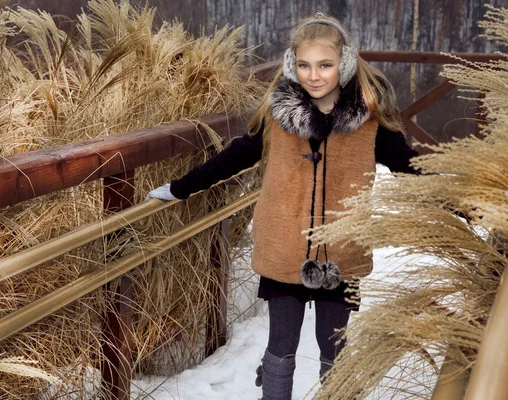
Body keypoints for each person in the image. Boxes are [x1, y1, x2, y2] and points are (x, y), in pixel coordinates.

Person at [147, 12, 419, 400]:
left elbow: (412, 167)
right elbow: (236, 156)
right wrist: (180, 188)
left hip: (341, 253)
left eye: (325, 65)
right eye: (305, 65)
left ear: (343, 64)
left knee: (335, 349)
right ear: (293, 65)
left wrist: (464, 202)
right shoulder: (277, 117)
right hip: (283, 249)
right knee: (281, 348)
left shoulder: (369, 122)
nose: (314, 75)